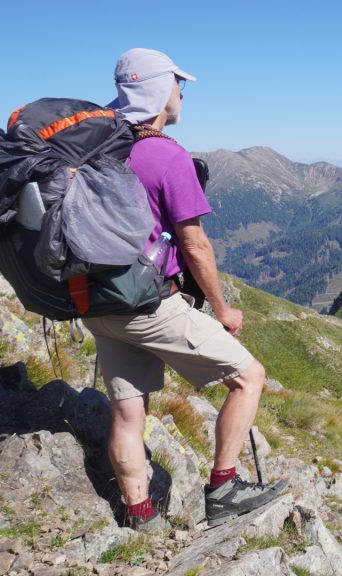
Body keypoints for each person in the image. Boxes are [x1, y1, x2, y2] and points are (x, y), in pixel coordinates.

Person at [84, 48, 287, 531]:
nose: (181, 94)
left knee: (128, 412)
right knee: (249, 377)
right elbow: (194, 245)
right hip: (148, 303)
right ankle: (224, 489)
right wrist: (223, 309)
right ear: (159, 90)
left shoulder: (95, 147)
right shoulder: (165, 155)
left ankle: (140, 515)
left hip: (95, 300)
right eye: (178, 85)